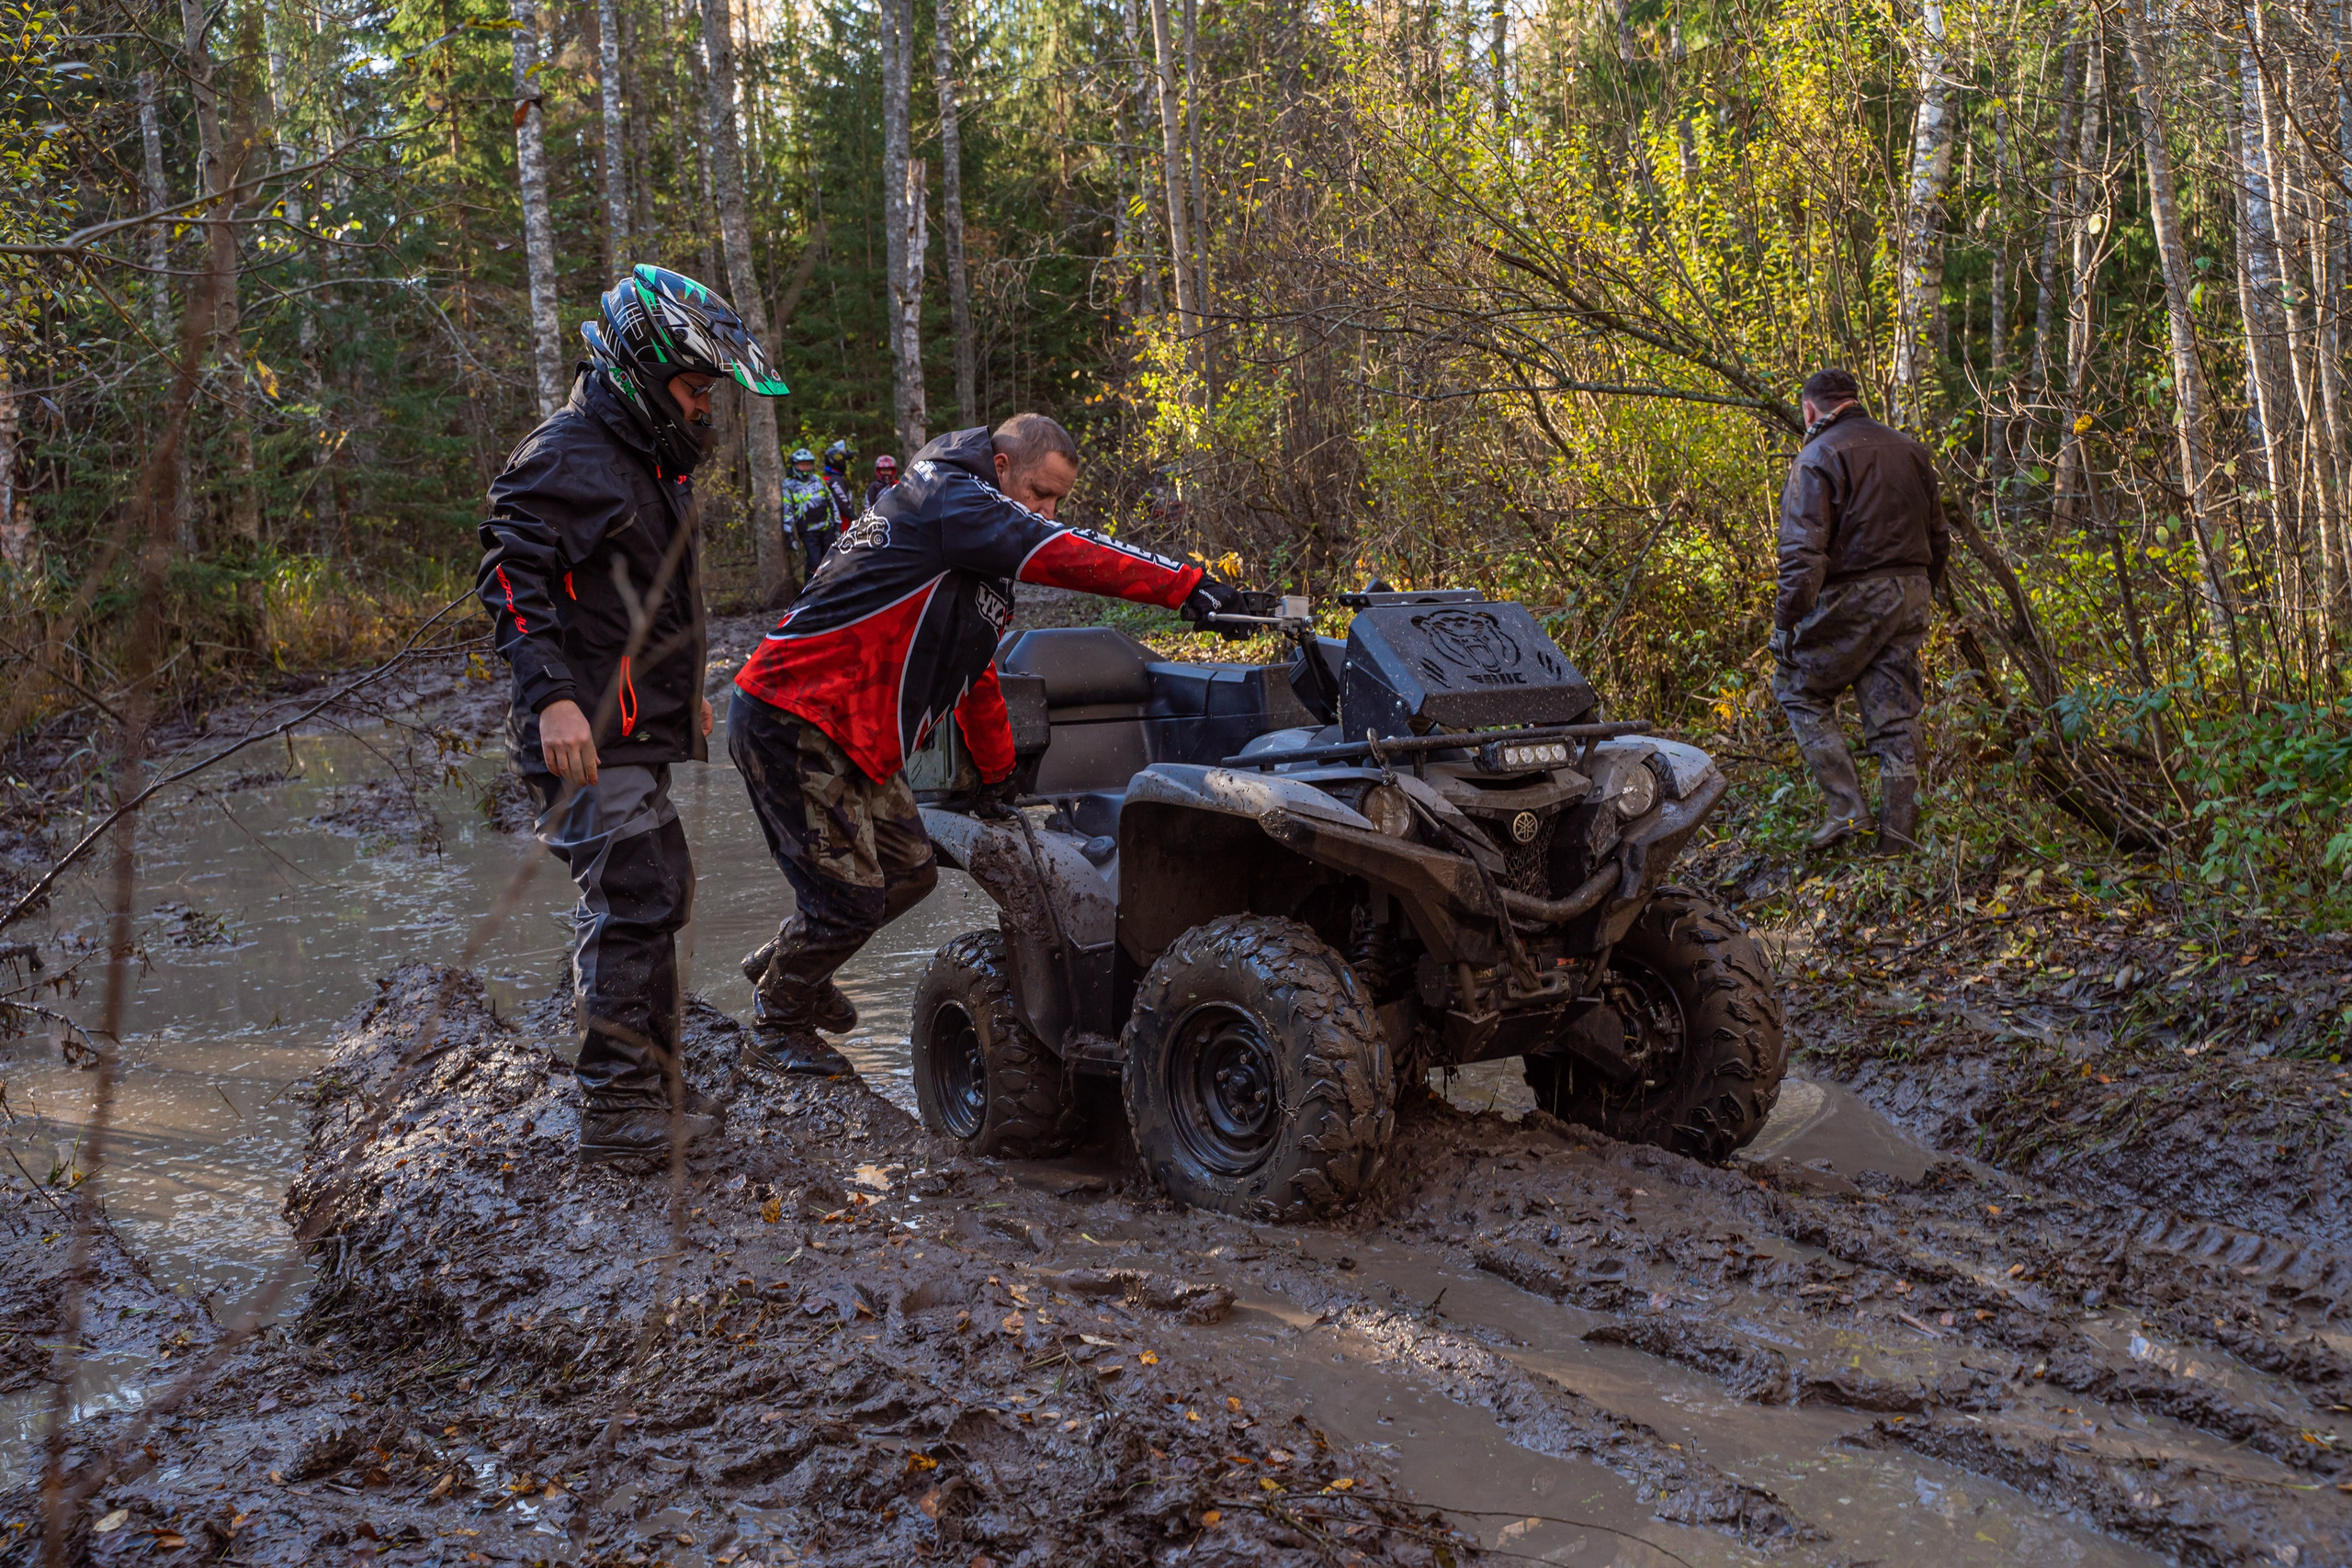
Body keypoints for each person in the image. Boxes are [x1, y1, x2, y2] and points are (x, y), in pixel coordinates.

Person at [727, 413, 1241, 1073]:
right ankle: (777, 1023)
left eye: (1057, 500)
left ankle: (790, 962)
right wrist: (1186, 585)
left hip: (856, 734)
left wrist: (999, 775)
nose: (1046, 510)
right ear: (1001, 466)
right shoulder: (949, 496)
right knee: (847, 902)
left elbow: (975, 673)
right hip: (794, 714)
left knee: (911, 874)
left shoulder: (973, 551)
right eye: (1039, 491)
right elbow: (1063, 552)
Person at [477, 265, 791, 1161]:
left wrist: (678, 694)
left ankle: (649, 1087)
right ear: (644, 374)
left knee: (661, 886)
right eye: (695, 388)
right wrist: (553, 699)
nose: (704, 406)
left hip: (628, 724)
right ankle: (617, 1108)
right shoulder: (566, 454)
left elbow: (643, 599)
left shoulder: (645, 461)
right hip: (579, 731)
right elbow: (509, 574)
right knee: (634, 890)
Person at [1770, 367, 1949, 855]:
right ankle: (1898, 843)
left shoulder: (1817, 456)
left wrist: (1786, 625)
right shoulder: (1911, 449)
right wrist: (1918, 594)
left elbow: (1802, 555)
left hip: (1855, 594)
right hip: (1912, 589)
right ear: (1853, 399)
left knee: (1796, 687)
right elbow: (1939, 537)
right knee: (1894, 717)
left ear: (1810, 409)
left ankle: (1847, 810)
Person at [780, 446, 835, 578]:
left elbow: (831, 501)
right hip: (808, 531)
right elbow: (787, 510)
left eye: (808, 464)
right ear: (795, 465)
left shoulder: (818, 479)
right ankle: (811, 589)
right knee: (814, 565)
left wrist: (837, 525)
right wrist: (789, 535)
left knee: (832, 561)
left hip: (827, 527)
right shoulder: (789, 484)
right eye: (802, 465)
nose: (805, 468)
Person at [820, 441, 857, 537]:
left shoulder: (825, 478)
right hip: (841, 525)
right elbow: (843, 503)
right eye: (840, 458)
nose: (842, 461)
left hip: (829, 526)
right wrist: (856, 520)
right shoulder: (836, 480)